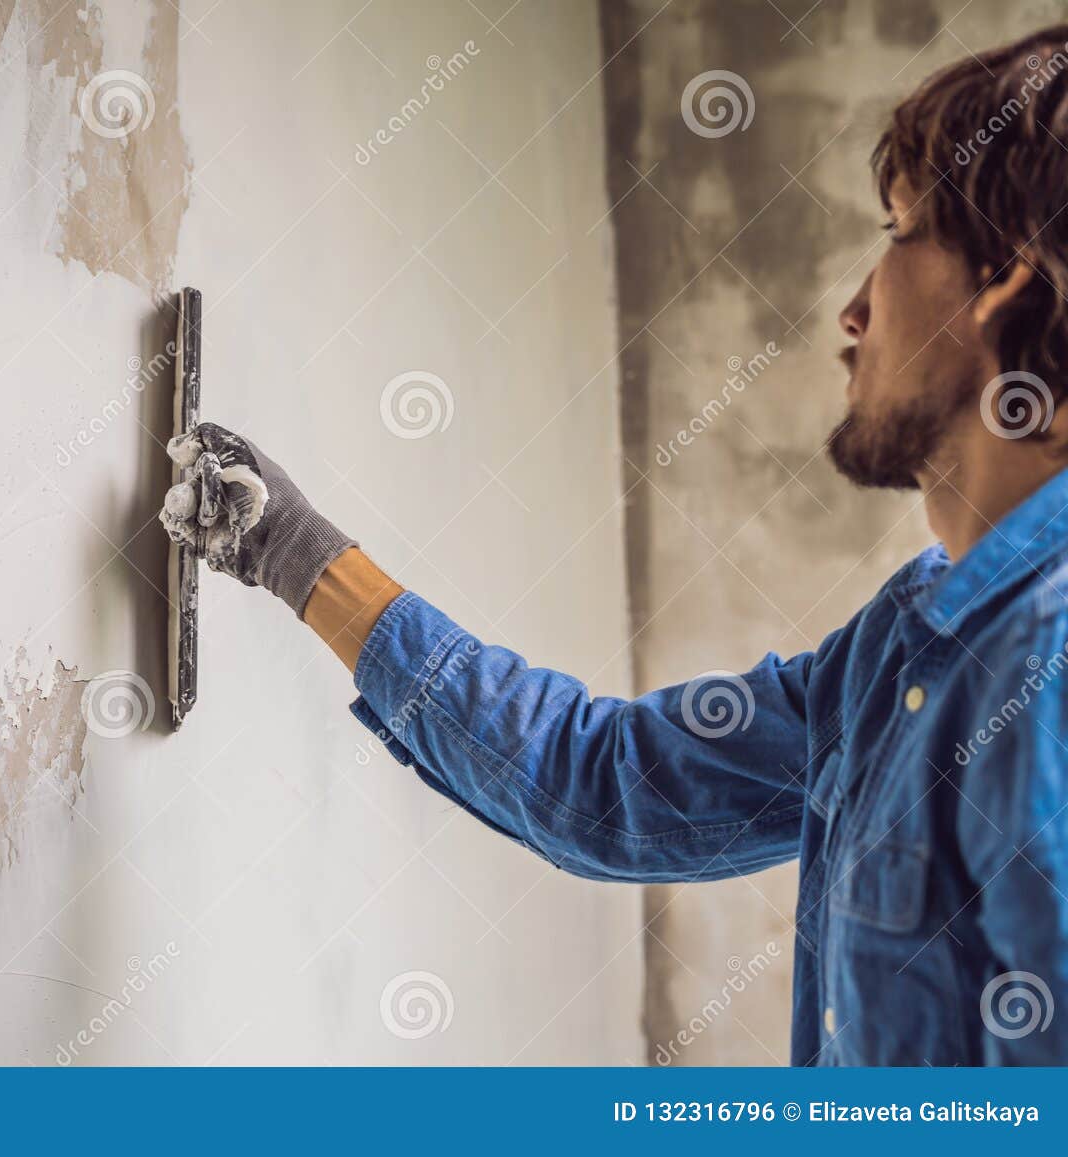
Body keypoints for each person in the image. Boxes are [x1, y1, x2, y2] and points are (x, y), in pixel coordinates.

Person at [159, 26, 1068, 1066]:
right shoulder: (903, 645)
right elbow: (608, 783)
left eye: (900, 232)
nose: (854, 308)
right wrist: (291, 548)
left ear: (1003, 281)